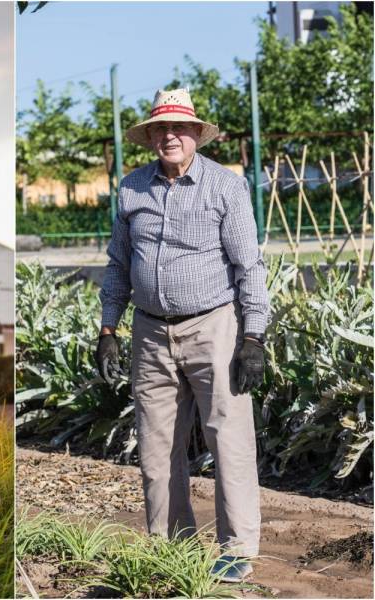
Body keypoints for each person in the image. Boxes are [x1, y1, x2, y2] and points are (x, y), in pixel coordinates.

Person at [95, 88, 269, 583]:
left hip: (214, 326)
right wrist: (108, 329)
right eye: (160, 129)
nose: (169, 136)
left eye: (179, 128)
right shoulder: (132, 189)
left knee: (227, 436)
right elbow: (118, 266)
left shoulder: (224, 187)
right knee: (156, 444)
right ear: (150, 136)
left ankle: (236, 548)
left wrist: (253, 338)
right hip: (150, 333)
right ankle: (173, 546)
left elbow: (248, 267)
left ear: (196, 134)